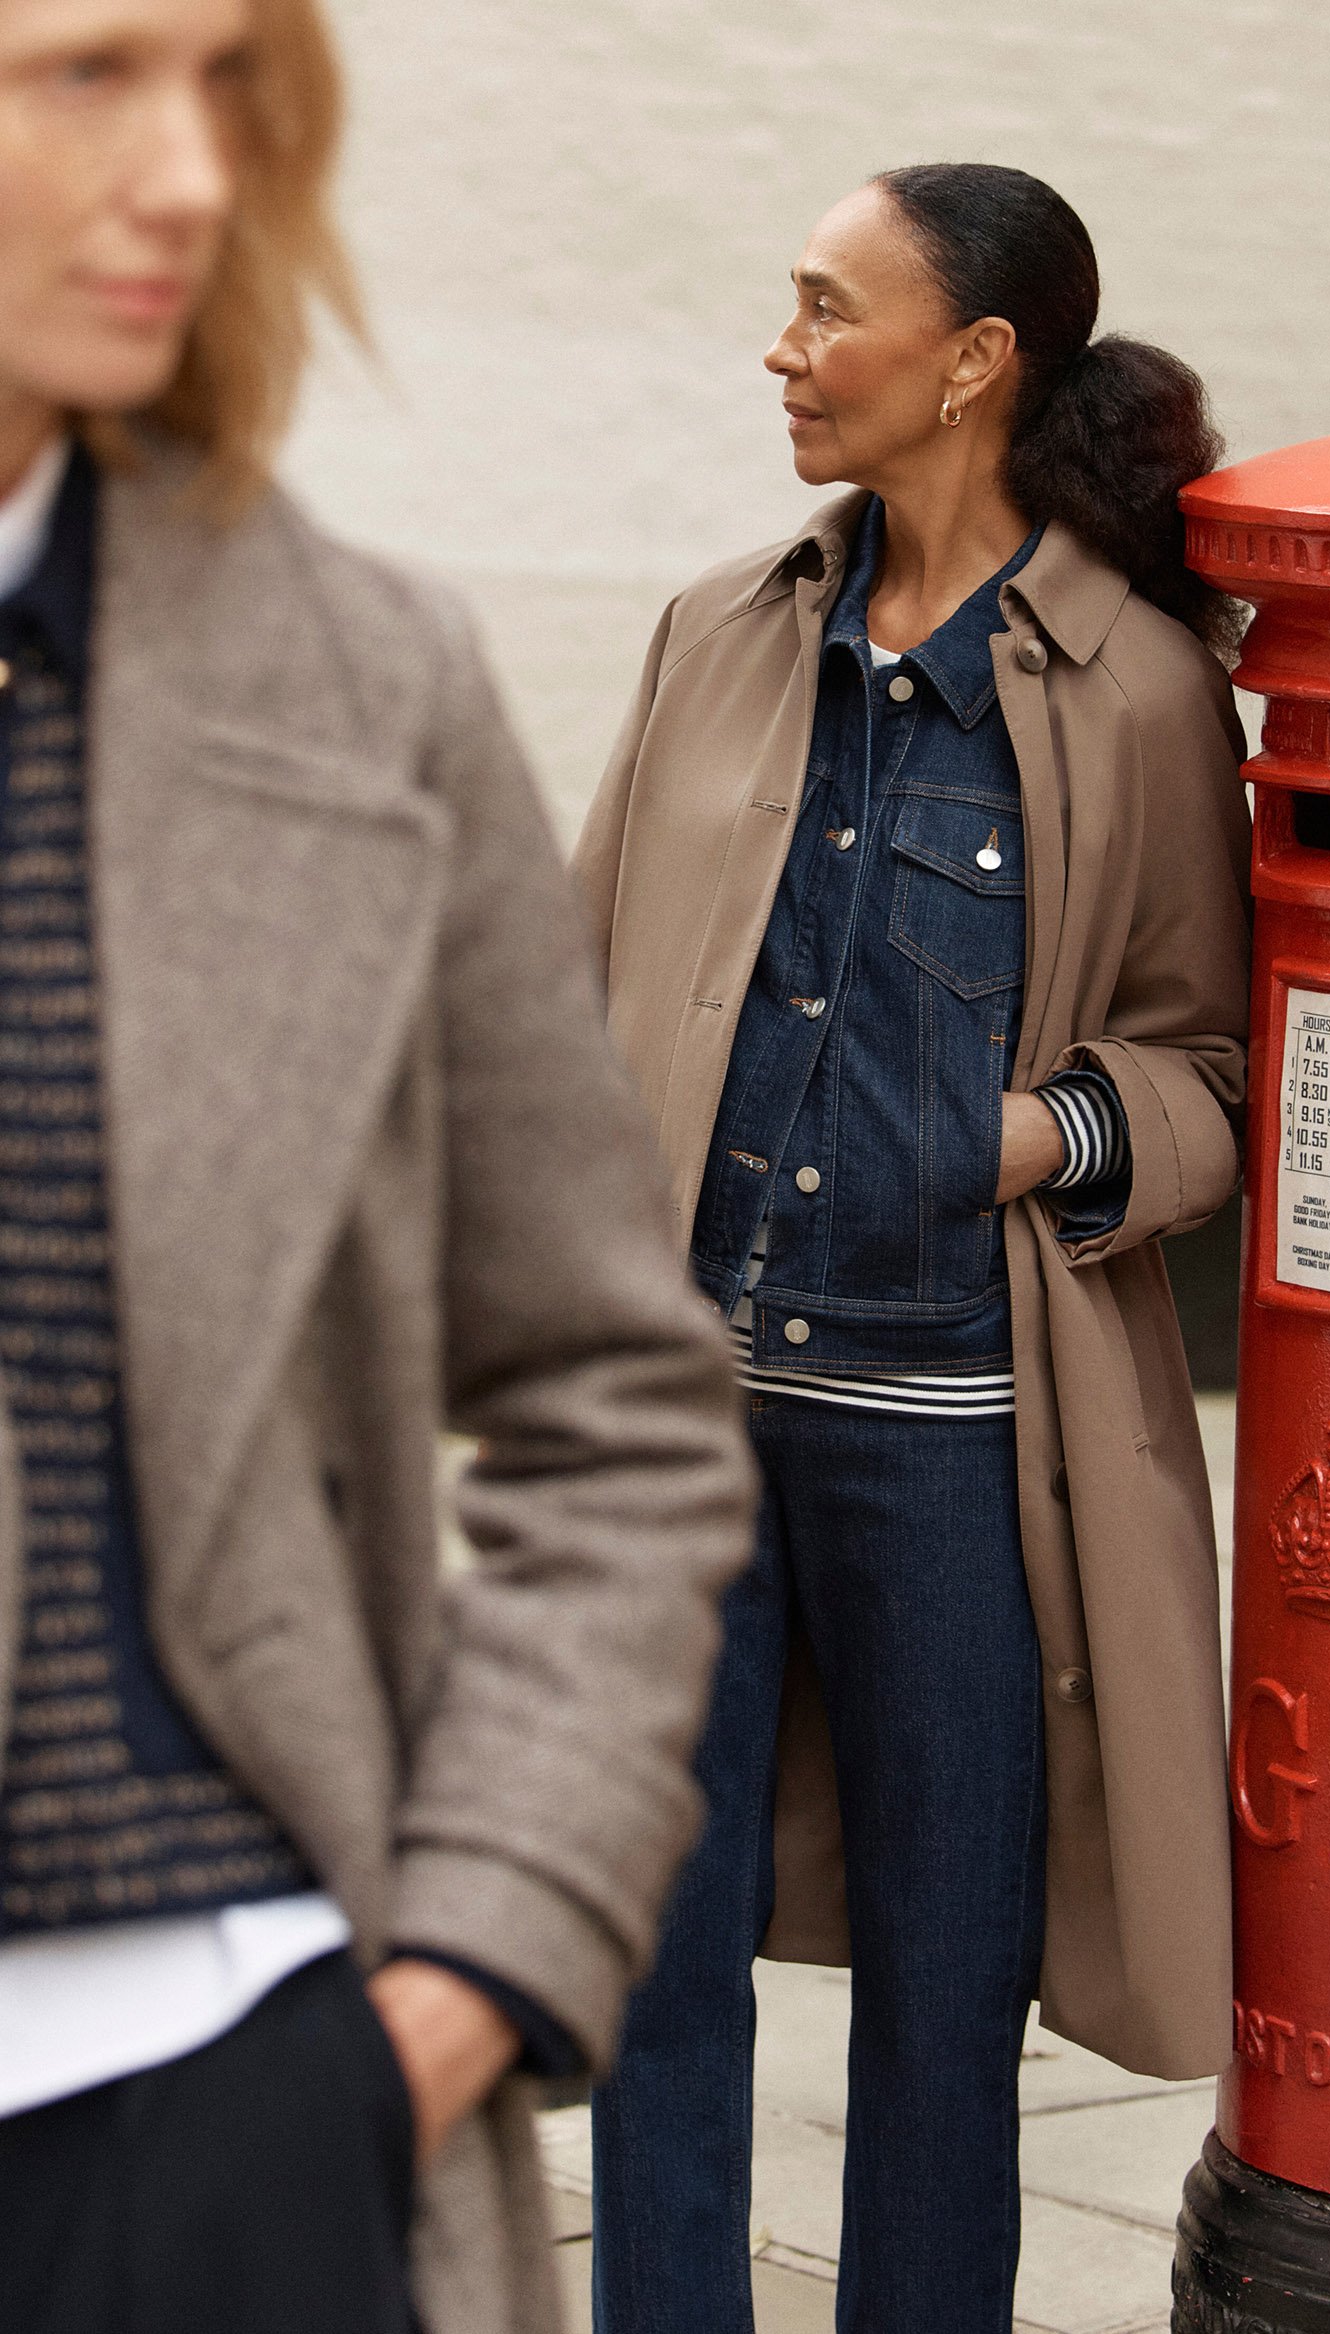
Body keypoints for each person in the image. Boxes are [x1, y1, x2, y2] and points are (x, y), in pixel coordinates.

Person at [0, 3, 754, 2330]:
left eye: (228, 84)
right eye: (84, 73)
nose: (196, 179)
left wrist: (461, 1970)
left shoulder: (357, 685)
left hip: (223, 2092)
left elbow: (619, 1412)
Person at [576, 162, 1252, 2333]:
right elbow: (574, 993)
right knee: (646, 1974)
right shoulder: (717, 631)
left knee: (945, 2007)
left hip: (964, 1443)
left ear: (973, 365)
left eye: (823, 310)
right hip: (687, 1431)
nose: (782, 351)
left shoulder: (1139, 694)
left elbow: (1219, 1071)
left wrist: (1030, 1134)